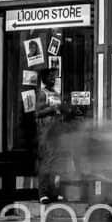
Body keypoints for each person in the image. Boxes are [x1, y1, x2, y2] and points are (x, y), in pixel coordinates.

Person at [35, 68, 64, 203]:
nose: (53, 78)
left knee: (56, 163)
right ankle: (43, 193)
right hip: (46, 132)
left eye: (54, 76)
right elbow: (37, 112)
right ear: (44, 79)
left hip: (56, 131)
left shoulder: (57, 94)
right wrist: (51, 109)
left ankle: (54, 192)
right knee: (46, 162)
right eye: (51, 76)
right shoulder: (42, 93)